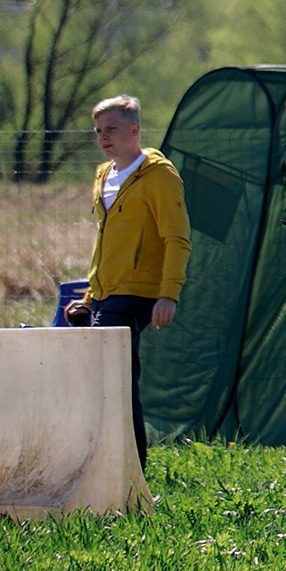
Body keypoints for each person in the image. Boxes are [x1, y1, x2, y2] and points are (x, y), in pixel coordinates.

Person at [61, 95, 190, 468]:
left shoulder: (159, 176)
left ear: (135, 131)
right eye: (99, 131)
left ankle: (129, 469)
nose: (103, 137)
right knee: (107, 381)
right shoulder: (103, 174)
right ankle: (107, 463)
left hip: (137, 293)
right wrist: (89, 295)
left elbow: (177, 238)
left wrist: (168, 295)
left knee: (117, 381)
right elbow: (107, 244)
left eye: (112, 129)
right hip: (105, 293)